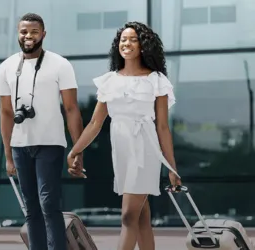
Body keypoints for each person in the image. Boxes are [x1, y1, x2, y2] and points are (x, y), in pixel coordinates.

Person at [66, 21, 183, 250]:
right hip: (121, 150)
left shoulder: (156, 80)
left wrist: (171, 167)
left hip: (145, 149)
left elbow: (162, 127)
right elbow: (95, 123)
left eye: (133, 39)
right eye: (123, 40)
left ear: (143, 45)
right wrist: (75, 150)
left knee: (128, 216)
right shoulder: (110, 80)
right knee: (141, 217)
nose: (126, 43)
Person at [0, 13, 85, 250]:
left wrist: (78, 150)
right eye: (24, 32)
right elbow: (6, 112)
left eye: (34, 32)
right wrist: (7, 155)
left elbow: (71, 108)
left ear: (43, 34)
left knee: (48, 204)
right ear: (18, 34)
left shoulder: (60, 64)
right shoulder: (6, 67)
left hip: (50, 143)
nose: (28, 36)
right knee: (31, 208)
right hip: (19, 145)